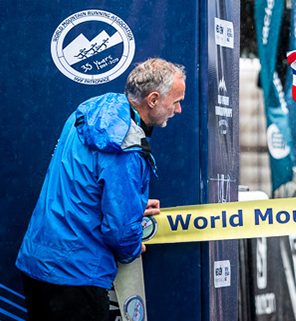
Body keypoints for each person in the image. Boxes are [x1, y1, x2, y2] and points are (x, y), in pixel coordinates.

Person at [17, 58, 186, 321]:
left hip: (38, 260)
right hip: (77, 274)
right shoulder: (127, 147)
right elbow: (119, 232)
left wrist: (133, 205)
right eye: (175, 101)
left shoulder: (90, 113)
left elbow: (83, 185)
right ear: (152, 99)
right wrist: (132, 245)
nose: (178, 110)